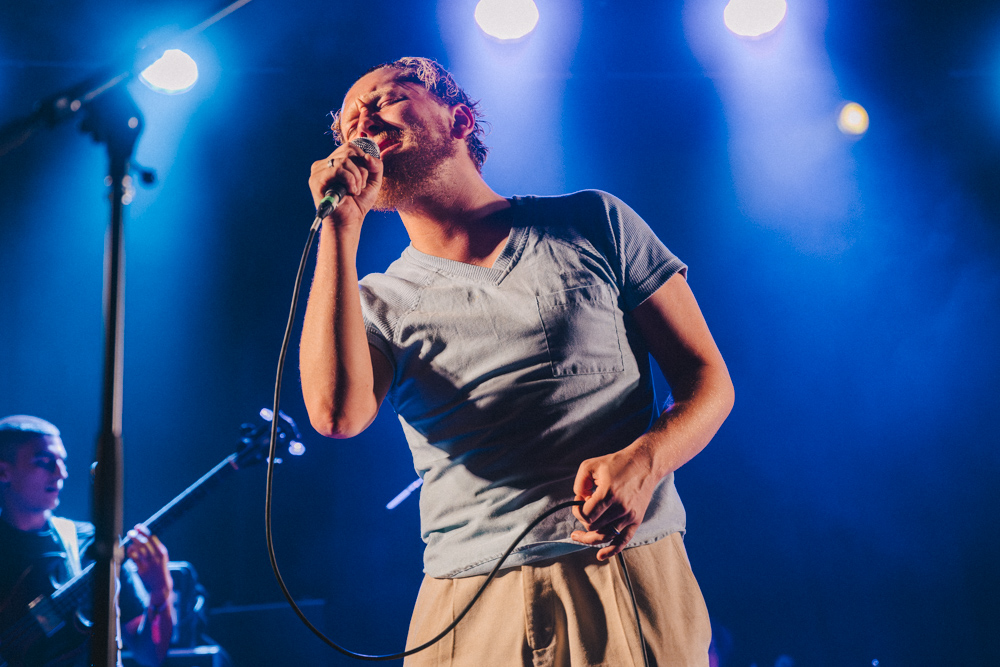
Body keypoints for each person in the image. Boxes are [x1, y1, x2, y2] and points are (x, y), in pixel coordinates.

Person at [301, 57, 735, 666]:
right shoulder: (374, 300)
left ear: (459, 119)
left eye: (383, 98)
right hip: (466, 597)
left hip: (618, 568)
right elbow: (335, 414)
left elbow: (708, 380)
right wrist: (337, 234)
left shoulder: (593, 222)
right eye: (350, 118)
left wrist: (646, 461)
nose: (361, 118)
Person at [0, 415, 175, 667]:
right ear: (4, 471)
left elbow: (150, 654)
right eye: (44, 462)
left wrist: (160, 592)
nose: (61, 473)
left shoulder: (94, 543)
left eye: (62, 462)